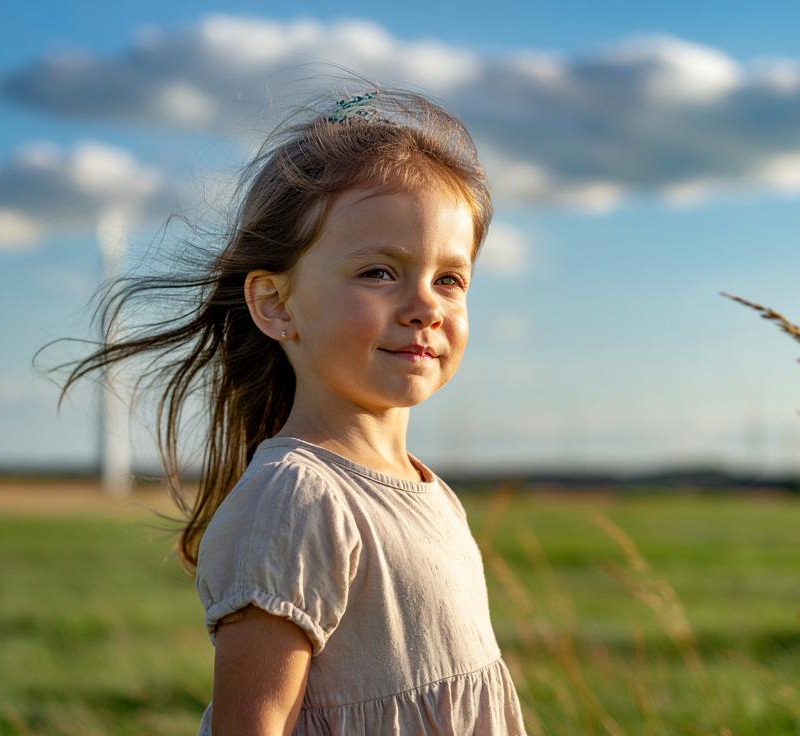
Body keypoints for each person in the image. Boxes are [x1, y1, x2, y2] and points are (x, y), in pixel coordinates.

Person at [50, 78, 528, 734]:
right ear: (275, 304)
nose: (425, 306)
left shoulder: (431, 493)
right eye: (378, 272)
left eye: (449, 279)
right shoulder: (297, 499)